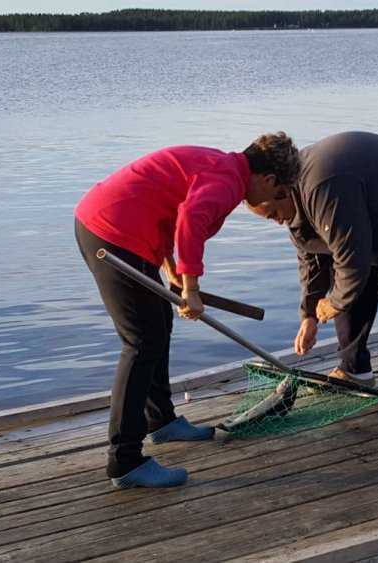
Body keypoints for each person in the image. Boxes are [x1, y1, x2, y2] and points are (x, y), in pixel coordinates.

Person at [75, 132, 301, 488]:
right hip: (113, 233)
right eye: (280, 194)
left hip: (117, 229)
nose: (274, 206)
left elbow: (165, 210)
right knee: (140, 343)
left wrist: (172, 272)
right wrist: (191, 288)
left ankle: (161, 421)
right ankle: (125, 461)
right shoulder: (228, 180)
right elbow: (190, 220)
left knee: (158, 324)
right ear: (270, 179)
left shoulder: (224, 168)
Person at [246, 131, 378, 419]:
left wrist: (336, 302)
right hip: (377, 209)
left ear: (282, 191)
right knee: (349, 282)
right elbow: (312, 260)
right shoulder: (295, 199)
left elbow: (351, 258)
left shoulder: (323, 187)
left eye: (273, 214)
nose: (277, 222)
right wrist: (309, 316)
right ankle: (355, 370)